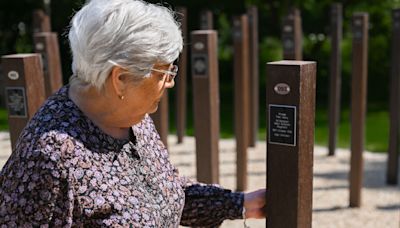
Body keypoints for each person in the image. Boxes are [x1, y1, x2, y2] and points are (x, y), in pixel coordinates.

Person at [0, 0, 266, 227]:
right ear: (121, 79)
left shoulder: (131, 118)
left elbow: (164, 193)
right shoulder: (49, 159)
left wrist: (240, 204)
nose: (171, 81)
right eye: (165, 72)